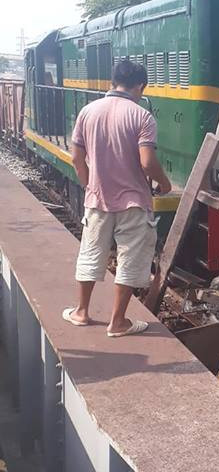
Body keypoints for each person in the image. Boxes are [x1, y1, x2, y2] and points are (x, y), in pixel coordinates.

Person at [63, 59, 171, 336]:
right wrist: (165, 183)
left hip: (97, 199)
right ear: (140, 86)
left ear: (113, 82)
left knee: (90, 253)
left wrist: (90, 186)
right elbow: (147, 163)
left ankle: (81, 312)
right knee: (130, 258)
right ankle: (117, 322)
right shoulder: (142, 116)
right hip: (134, 201)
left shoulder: (87, 112)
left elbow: (77, 158)